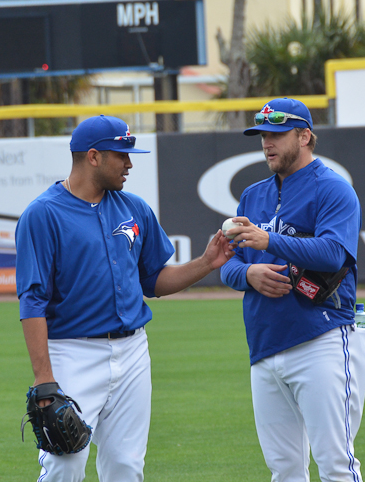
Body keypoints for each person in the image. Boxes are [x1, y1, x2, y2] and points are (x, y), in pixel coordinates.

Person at [16, 115, 233, 482]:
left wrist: (206, 263)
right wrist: (44, 381)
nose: (130, 164)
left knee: (126, 467)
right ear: (94, 157)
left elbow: (154, 280)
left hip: (133, 352)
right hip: (73, 351)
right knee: (63, 466)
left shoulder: (134, 208)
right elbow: (32, 301)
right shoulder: (43, 215)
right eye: (122, 155)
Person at [220, 98, 365, 482]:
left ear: (305, 136)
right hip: (265, 345)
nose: (267, 143)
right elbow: (229, 265)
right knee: (284, 470)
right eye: (262, 135)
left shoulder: (334, 190)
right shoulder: (253, 196)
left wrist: (267, 240)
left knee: (336, 463)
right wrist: (248, 275)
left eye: (276, 134)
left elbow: (334, 253)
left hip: (320, 337)